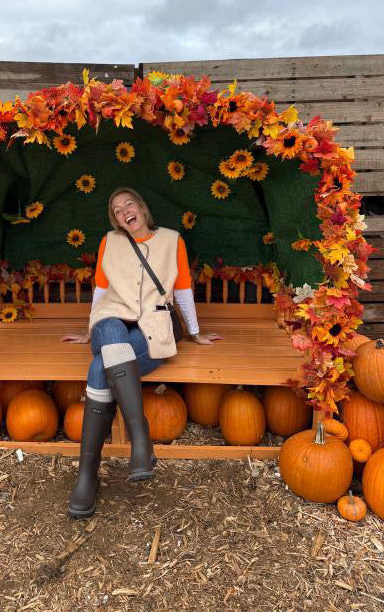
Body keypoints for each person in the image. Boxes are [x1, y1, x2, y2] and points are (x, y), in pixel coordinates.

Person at [62, 187, 222, 518]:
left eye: (128, 205)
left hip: (155, 326)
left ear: (142, 208)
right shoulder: (111, 242)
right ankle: (140, 439)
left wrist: (193, 332)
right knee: (108, 330)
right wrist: (88, 328)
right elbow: (102, 291)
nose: (123, 212)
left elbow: (182, 289)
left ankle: (87, 475)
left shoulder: (171, 240)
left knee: (98, 369)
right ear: (116, 220)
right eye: (117, 210)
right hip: (111, 322)